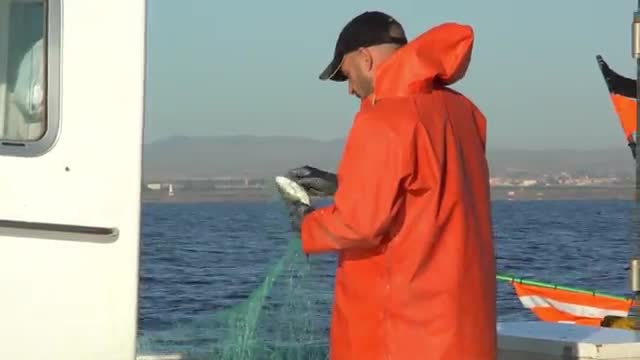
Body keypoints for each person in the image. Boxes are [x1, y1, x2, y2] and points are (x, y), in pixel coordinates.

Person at [284, 11, 496, 360]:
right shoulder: (463, 112)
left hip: (400, 333)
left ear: (365, 58)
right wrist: (345, 185)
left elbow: (360, 225)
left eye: (347, 75)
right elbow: (432, 191)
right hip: (465, 329)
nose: (351, 88)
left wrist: (306, 223)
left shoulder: (384, 117)